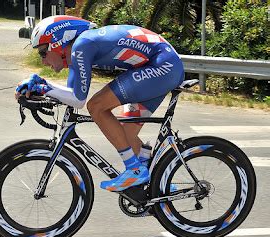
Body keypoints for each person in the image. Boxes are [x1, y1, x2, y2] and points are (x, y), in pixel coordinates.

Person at [15, 15, 184, 192]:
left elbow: (78, 100)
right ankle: (159, 187)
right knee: (125, 134)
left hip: (162, 67)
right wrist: (41, 84)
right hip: (162, 67)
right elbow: (71, 95)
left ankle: (134, 170)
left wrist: (42, 87)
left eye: (43, 53)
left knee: (96, 106)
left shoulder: (81, 46)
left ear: (57, 43)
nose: (43, 61)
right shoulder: (77, 52)